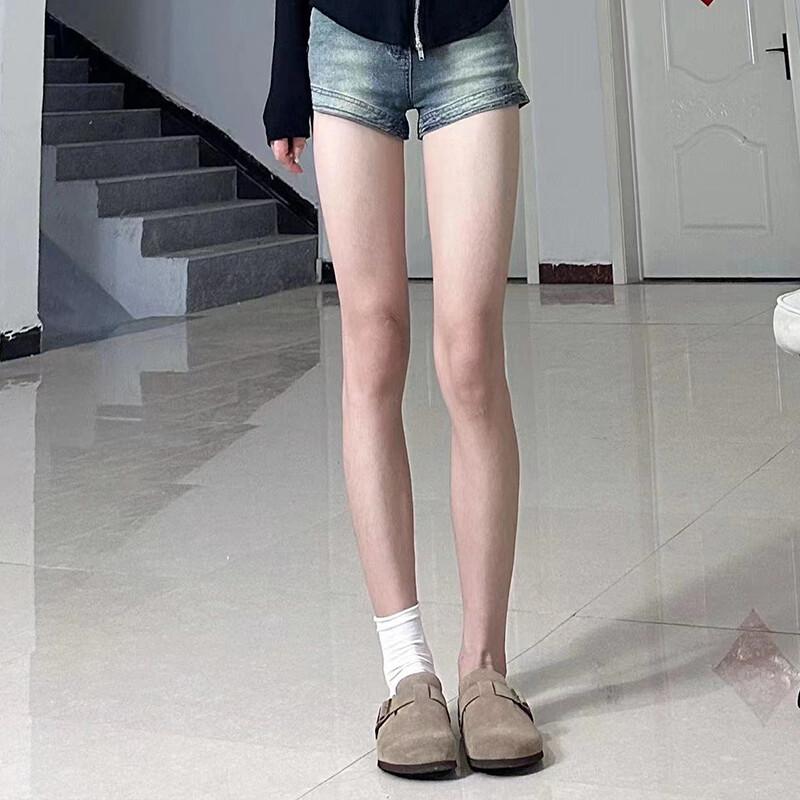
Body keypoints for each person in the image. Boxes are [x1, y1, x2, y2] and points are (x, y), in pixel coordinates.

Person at [264, 0, 543, 777]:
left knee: (470, 353)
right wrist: (287, 73)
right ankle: (406, 672)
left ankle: (485, 668)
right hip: (347, 39)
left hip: (470, 33)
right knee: (375, 342)